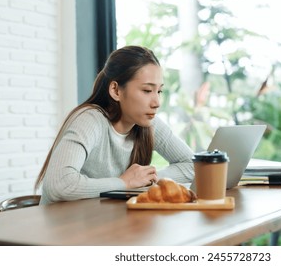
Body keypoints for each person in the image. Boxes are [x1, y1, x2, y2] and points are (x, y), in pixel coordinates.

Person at [35, 45, 194, 205]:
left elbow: (194, 166)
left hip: (102, 222)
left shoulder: (150, 124)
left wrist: (146, 178)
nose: (157, 103)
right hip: (61, 226)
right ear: (116, 90)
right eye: (147, 90)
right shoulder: (90, 120)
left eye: (159, 91)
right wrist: (124, 183)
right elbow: (59, 185)